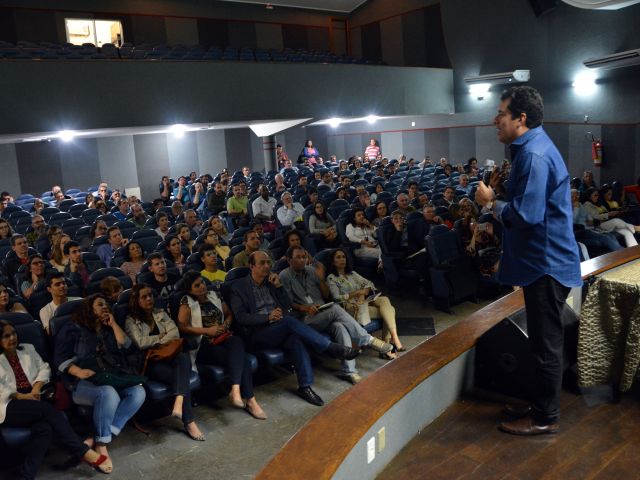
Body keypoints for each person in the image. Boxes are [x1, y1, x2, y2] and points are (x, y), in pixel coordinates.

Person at [475, 86, 582, 436]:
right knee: (540, 343)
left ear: (520, 119)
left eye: (501, 113)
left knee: (545, 345)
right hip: (543, 262)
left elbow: (529, 214)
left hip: (546, 264)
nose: (495, 119)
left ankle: (544, 418)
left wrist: (491, 204)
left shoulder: (534, 155)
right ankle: (539, 404)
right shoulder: (530, 149)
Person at [229, 251, 360, 405]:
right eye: (262, 263)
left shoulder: (271, 283)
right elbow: (241, 318)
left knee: (296, 338)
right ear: (251, 266)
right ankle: (329, 347)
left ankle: (305, 387)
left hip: (278, 328)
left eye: (268, 262)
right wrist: (268, 317)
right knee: (289, 322)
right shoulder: (239, 286)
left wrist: (279, 287)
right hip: (256, 333)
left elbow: (287, 308)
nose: (267, 266)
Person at [0, 320, 112, 478]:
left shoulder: (28, 349)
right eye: (6, 336)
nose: (12, 337)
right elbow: (1, 388)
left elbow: (44, 368)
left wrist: (36, 388)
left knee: (44, 429)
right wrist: (21, 395)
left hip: (33, 396)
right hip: (8, 403)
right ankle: (83, 451)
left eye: (13, 333)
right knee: (46, 410)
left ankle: (26, 474)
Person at [53, 294, 146, 468]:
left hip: (109, 377)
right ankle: (102, 445)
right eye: (100, 304)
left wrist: (113, 324)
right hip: (81, 383)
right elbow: (59, 360)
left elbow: (128, 348)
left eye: (107, 305)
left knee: (138, 391)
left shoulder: (107, 328)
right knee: (108, 393)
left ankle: (94, 438)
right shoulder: (71, 328)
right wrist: (78, 371)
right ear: (89, 308)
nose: (105, 307)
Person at [279, 246, 393, 385]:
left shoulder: (311, 271)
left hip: (322, 313)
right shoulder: (284, 275)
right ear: (289, 260)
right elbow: (289, 304)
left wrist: (321, 279)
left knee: (340, 327)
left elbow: (326, 295)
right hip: (305, 319)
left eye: (304, 257)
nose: (303, 260)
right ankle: (366, 340)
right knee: (334, 308)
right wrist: (306, 308)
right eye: (298, 257)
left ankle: (349, 371)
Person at [176, 271, 266, 419]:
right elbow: (182, 327)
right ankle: (250, 399)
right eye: (196, 286)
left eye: (202, 283)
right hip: (204, 345)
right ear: (190, 290)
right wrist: (207, 330)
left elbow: (229, 314)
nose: (202, 287)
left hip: (222, 337)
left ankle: (236, 389)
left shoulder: (214, 295)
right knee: (243, 360)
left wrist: (226, 324)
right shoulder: (187, 302)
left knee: (237, 340)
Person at [125, 284, 205, 440]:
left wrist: (157, 339)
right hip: (151, 363)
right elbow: (140, 342)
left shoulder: (160, 313)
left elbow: (174, 333)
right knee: (182, 374)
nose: (149, 299)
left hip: (171, 357)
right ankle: (189, 421)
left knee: (183, 357)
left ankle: (179, 400)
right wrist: (160, 337)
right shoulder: (131, 320)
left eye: (150, 295)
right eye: (144, 296)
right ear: (136, 301)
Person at [326, 249, 404, 354]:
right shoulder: (331, 278)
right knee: (391, 310)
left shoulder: (352, 273)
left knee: (384, 300)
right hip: (353, 307)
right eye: (338, 257)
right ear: (332, 262)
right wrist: (356, 293)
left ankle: (391, 341)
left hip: (364, 301)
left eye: (343, 257)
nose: (342, 259)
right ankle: (390, 342)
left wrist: (363, 293)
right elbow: (336, 297)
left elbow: (369, 284)